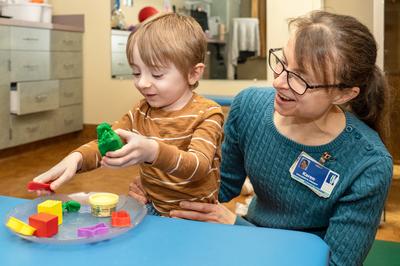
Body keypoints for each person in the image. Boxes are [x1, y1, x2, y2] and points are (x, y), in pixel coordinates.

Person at [129, 11, 393, 265]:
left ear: (343, 94)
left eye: (300, 78)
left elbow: (335, 262)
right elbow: (221, 186)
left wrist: (237, 227)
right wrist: (163, 187)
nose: (279, 82)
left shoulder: (369, 164)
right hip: (244, 241)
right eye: (283, 62)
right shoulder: (249, 107)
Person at [31, 13, 224, 216]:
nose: (142, 83)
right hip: (153, 209)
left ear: (193, 73)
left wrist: (153, 152)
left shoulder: (208, 113)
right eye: (136, 72)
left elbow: (198, 166)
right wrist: (75, 159)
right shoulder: (140, 111)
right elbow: (105, 143)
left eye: (157, 74)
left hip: (196, 218)